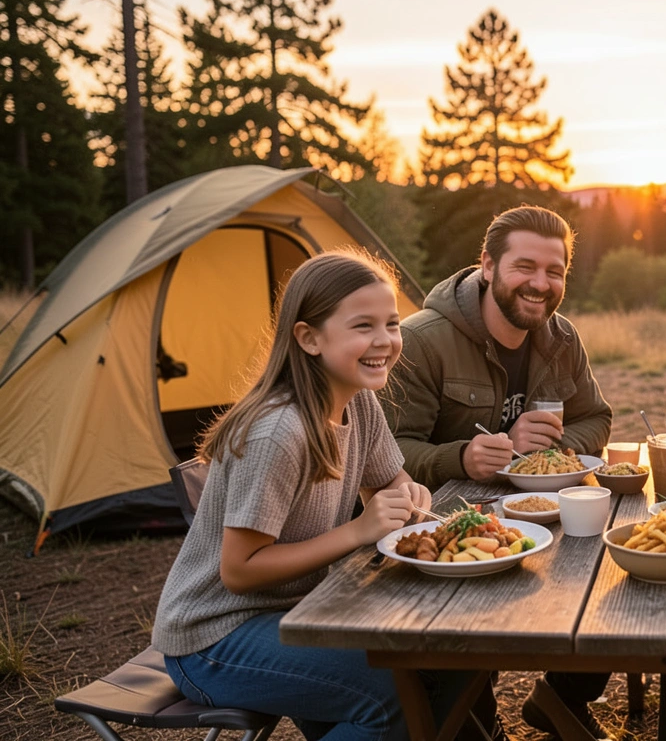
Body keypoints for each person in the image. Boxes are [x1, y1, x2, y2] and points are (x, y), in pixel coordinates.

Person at [152, 250, 484, 739]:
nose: (385, 341)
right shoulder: (277, 432)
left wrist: (409, 496)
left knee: (455, 656)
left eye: (392, 324)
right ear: (308, 338)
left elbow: (389, 484)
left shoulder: (359, 399)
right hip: (214, 637)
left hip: (303, 611)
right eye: (362, 326)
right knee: (392, 698)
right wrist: (358, 530)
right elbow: (239, 571)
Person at [380, 205, 614, 738]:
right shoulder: (422, 341)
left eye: (554, 271)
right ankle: (473, 724)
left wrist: (548, 456)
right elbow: (386, 449)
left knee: (612, 576)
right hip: (446, 535)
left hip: (544, 515)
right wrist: (459, 458)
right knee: (462, 640)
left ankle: (562, 697)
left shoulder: (562, 339)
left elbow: (596, 417)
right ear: (487, 265)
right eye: (524, 267)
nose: (541, 283)